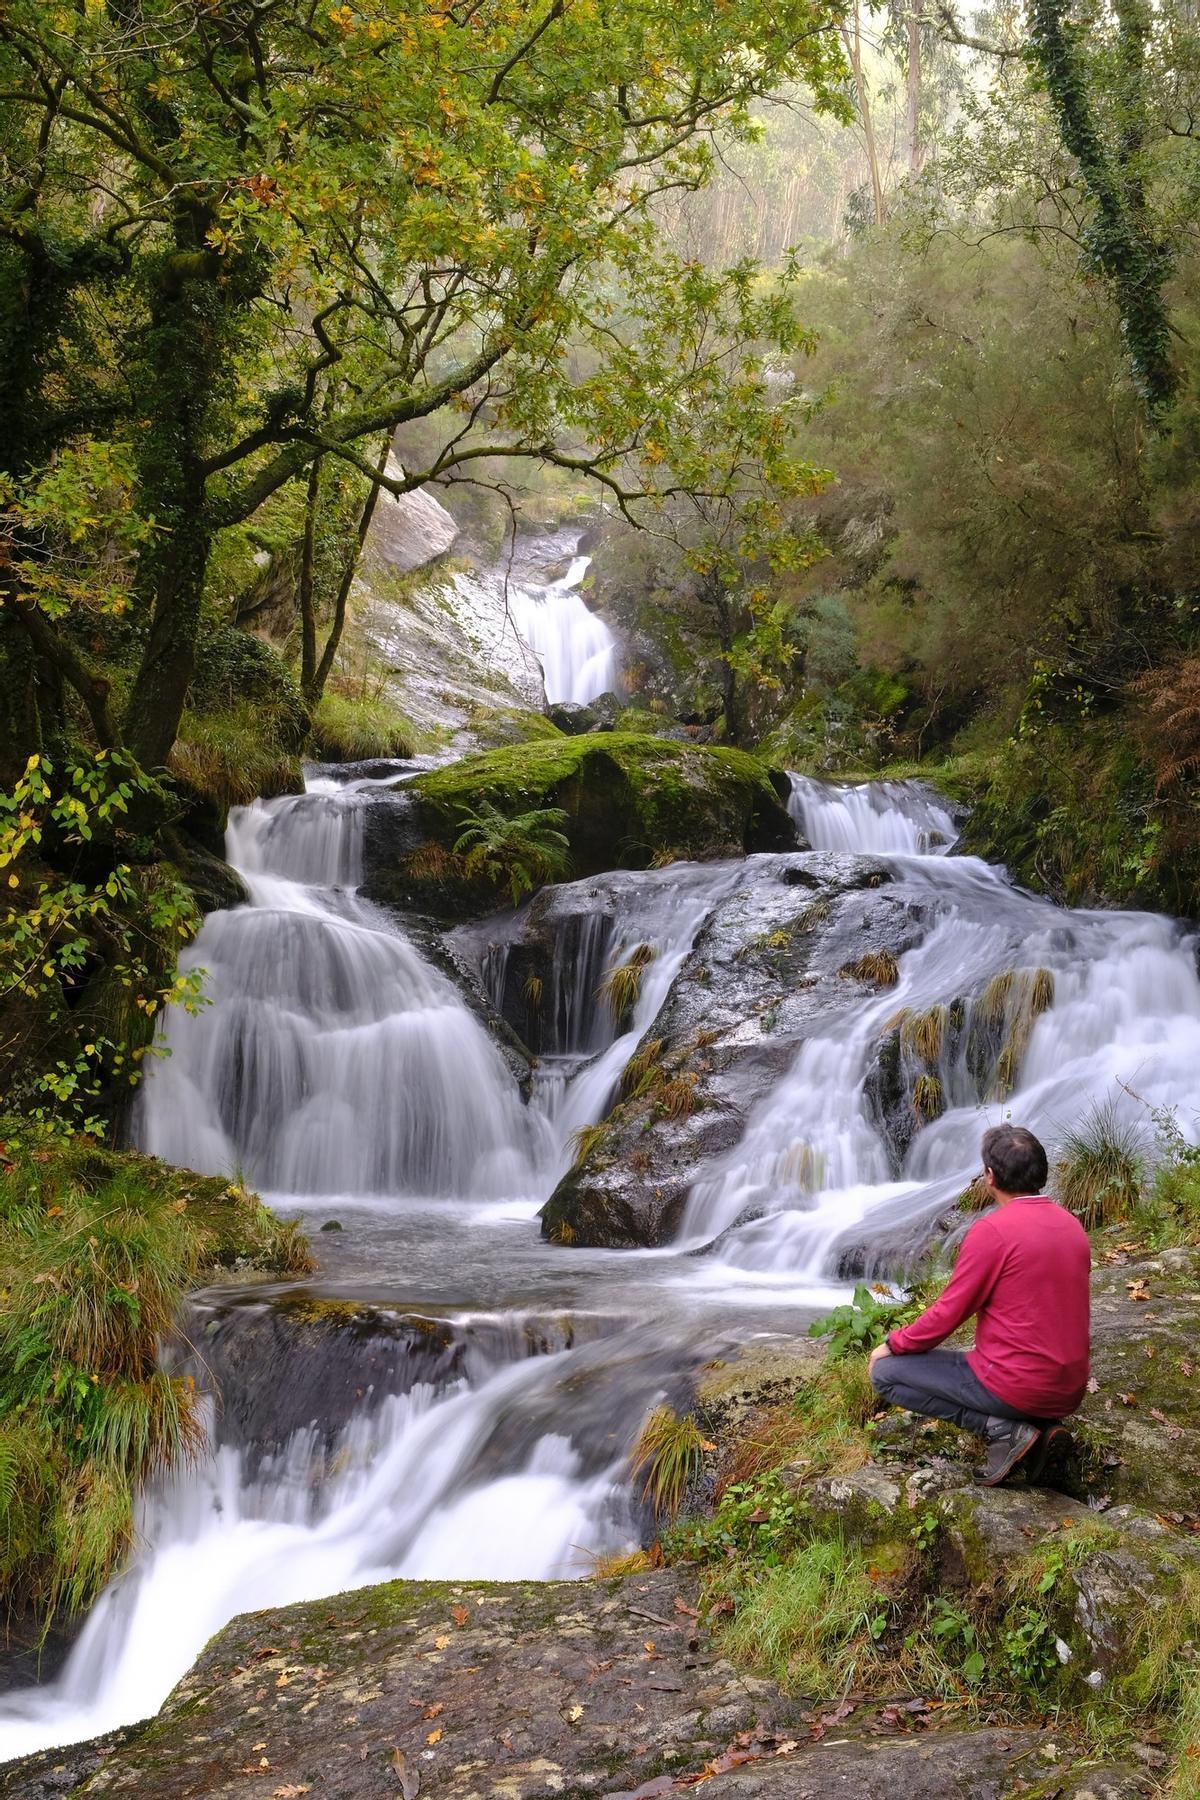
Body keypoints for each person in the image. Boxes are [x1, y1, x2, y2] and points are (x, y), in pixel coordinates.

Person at [868, 1123, 1090, 1487]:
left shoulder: (993, 1232)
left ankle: (1002, 1429)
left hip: (1014, 1386)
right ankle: (1043, 1427)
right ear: (1042, 1173)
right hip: (1069, 1389)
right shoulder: (1072, 1226)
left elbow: (948, 1315)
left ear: (989, 1177)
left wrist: (892, 1344)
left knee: (886, 1374)